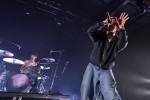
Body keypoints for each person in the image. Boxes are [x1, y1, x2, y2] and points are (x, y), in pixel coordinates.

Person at [80, 12, 129, 100]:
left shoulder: (117, 41)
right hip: (92, 67)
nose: (111, 23)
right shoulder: (100, 36)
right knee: (86, 91)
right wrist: (102, 23)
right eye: (111, 22)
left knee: (111, 94)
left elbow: (123, 44)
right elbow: (90, 31)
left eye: (114, 23)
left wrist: (122, 28)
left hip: (106, 70)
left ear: (117, 28)